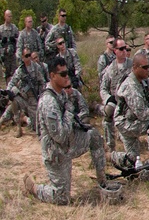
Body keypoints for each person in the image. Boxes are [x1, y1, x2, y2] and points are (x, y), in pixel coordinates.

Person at [22, 56, 107, 204]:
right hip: (56, 152)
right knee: (62, 198)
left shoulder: (61, 93)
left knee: (94, 136)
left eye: (67, 73)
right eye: (62, 74)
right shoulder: (49, 101)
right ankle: (34, 188)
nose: (67, 77)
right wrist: (69, 109)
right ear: (52, 76)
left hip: (69, 142)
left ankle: (102, 181)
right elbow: (60, 136)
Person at [115, 53, 149, 159]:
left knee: (133, 160)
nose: (148, 70)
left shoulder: (146, 81)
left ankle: (118, 158)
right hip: (125, 123)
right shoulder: (130, 86)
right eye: (144, 67)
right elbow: (142, 113)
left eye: (148, 67)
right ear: (134, 67)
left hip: (134, 120)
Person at [1, 47, 48, 136]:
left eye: (29, 55)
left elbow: (42, 82)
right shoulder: (20, 70)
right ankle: (18, 126)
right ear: (22, 57)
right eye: (26, 56)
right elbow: (12, 81)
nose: (29, 57)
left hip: (33, 99)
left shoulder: (36, 67)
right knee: (13, 99)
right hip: (23, 97)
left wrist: (42, 94)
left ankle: (24, 119)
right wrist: (8, 91)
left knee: (36, 126)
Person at [99, 39, 133, 151]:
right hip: (116, 100)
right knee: (108, 112)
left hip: (130, 100)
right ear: (115, 51)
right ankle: (110, 146)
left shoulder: (132, 66)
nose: (124, 51)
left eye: (126, 48)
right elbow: (103, 88)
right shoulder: (110, 69)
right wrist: (109, 99)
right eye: (121, 49)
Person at [0, 9, 18, 83]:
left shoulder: (14, 28)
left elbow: (18, 39)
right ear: (5, 17)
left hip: (12, 55)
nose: (9, 18)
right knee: (6, 75)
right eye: (8, 16)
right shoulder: (1, 29)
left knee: (14, 75)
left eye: (11, 16)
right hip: (5, 56)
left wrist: (14, 40)